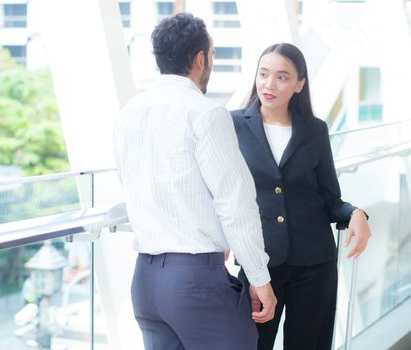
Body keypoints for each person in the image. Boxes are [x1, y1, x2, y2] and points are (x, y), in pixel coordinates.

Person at [114, 12, 277, 350]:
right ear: (200, 58)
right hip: (194, 282)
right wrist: (260, 278)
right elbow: (236, 203)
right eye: (213, 55)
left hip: (145, 282)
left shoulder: (129, 112)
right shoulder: (205, 113)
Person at [230, 43, 372, 350]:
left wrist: (356, 213)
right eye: (263, 74)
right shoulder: (233, 125)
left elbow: (330, 198)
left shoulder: (315, 130)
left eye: (282, 77)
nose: (269, 84)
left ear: (299, 84)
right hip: (259, 264)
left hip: (314, 265)